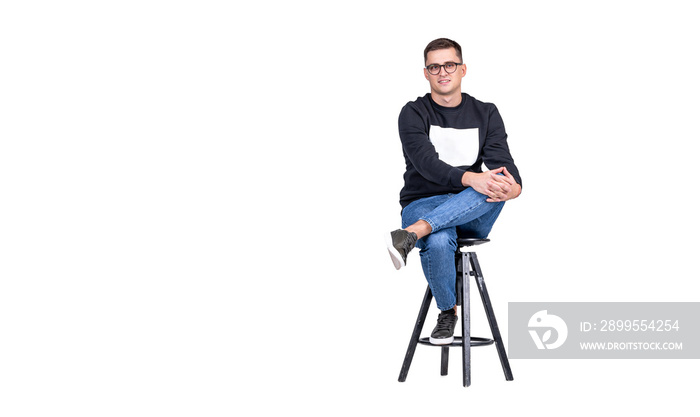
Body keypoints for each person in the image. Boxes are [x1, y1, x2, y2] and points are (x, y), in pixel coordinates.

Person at [386, 38, 522, 345]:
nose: (442, 72)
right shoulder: (413, 112)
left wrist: (511, 189)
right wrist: (474, 179)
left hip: (472, 208)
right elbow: (426, 164)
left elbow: (505, 168)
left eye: (449, 65)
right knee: (438, 238)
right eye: (434, 66)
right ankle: (447, 312)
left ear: (462, 69)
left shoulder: (485, 112)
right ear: (426, 73)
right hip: (423, 202)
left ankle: (410, 234)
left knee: (491, 182)